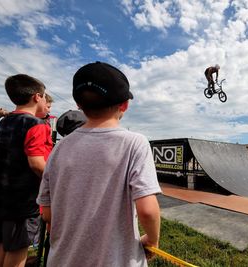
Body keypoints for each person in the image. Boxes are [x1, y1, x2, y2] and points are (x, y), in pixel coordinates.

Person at [37, 61, 161, 267]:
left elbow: (47, 212)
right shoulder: (134, 143)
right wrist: (153, 240)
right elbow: (147, 210)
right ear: (124, 105)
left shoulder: (59, 148)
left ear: (78, 104)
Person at [0, 74, 52, 267]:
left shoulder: (5, 122)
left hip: (1, 196)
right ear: (37, 97)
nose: (45, 101)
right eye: (45, 97)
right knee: (18, 249)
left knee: (1, 244)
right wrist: (54, 181)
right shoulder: (37, 125)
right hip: (23, 202)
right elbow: (36, 163)